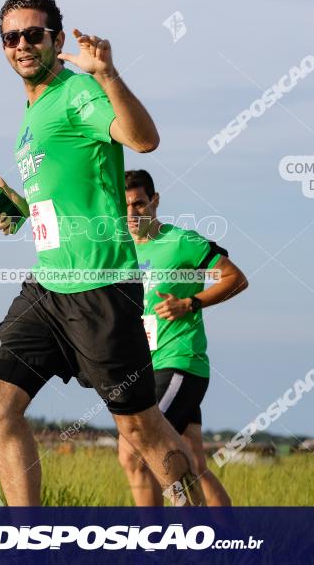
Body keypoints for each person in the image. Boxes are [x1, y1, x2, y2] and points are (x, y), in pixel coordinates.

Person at [0, 0, 205, 506]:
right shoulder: (32, 111)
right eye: (11, 37)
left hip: (101, 289)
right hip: (47, 287)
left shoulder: (79, 91)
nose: (22, 45)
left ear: (58, 39)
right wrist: (19, 209)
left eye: (34, 34)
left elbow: (143, 140)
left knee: (142, 429)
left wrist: (107, 75)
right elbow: (64, 193)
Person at [117, 169, 249, 506]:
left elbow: (235, 278)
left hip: (179, 363)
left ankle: (155, 546)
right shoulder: (120, 250)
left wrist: (190, 303)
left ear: (155, 201)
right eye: (126, 205)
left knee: (137, 453)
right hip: (143, 368)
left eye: (140, 204)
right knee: (194, 461)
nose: (133, 213)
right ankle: (225, 541)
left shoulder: (181, 242)